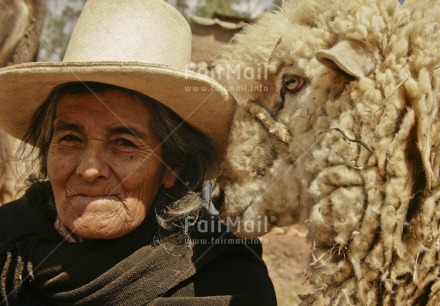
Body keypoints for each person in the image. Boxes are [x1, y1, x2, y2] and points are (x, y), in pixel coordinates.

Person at [0, 0, 276, 305]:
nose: (89, 169)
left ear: (173, 165)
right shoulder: (10, 241)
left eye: (124, 143)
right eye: (70, 138)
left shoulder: (223, 284)